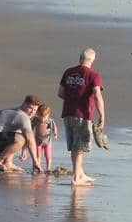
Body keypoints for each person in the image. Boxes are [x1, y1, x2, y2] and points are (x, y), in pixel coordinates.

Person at [57, 48, 106, 186]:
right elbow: (97, 95)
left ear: (80, 58)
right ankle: (77, 178)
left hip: (67, 113)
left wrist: (73, 97)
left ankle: (79, 173)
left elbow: (60, 93)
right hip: (82, 114)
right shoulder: (93, 75)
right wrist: (102, 115)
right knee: (79, 146)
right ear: (93, 60)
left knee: (75, 145)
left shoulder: (68, 72)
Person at [0, 95, 44, 173]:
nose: (32, 112)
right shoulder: (22, 116)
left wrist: (24, 150)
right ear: (24, 104)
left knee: (16, 135)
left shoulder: (15, 110)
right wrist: (36, 162)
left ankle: (8, 163)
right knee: (20, 139)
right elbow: (30, 139)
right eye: (30, 108)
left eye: (35, 110)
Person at [28, 102, 57, 173]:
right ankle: (38, 167)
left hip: (47, 141)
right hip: (37, 142)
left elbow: (54, 127)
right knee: (38, 156)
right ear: (37, 114)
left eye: (45, 117)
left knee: (48, 155)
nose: (43, 119)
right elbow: (30, 127)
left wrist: (55, 133)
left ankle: (48, 168)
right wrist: (29, 134)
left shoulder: (50, 120)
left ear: (48, 115)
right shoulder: (35, 120)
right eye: (41, 116)